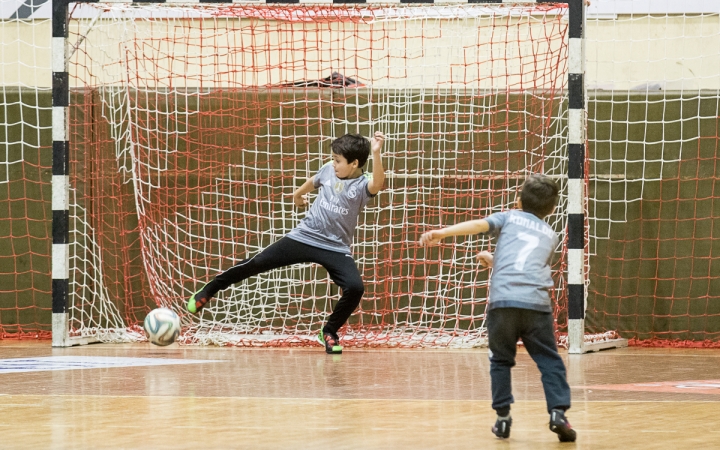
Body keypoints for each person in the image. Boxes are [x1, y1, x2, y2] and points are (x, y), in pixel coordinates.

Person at [188, 132, 386, 354]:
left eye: (338, 160)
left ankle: (329, 331)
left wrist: (376, 153)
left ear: (355, 163)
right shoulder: (329, 170)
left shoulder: (361, 186)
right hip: (305, 236)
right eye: (333, 158)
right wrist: (298, 193)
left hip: (335, 248)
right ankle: (210, 289)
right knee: (257, 262)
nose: (334, 163)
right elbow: (316, 180)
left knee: (355, 287)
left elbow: (377, 183)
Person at [418, 174, 576, 442]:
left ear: (518, 201)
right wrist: (495, 260)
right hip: (536, 306)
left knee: (501, 361)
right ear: (551, 208)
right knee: (550, 361)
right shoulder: (551, 235)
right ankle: (558, 413)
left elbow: (479, 225)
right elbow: (529, 266)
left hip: (503, 304)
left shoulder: (509, 217)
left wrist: (442, 232)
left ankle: (502, 420)